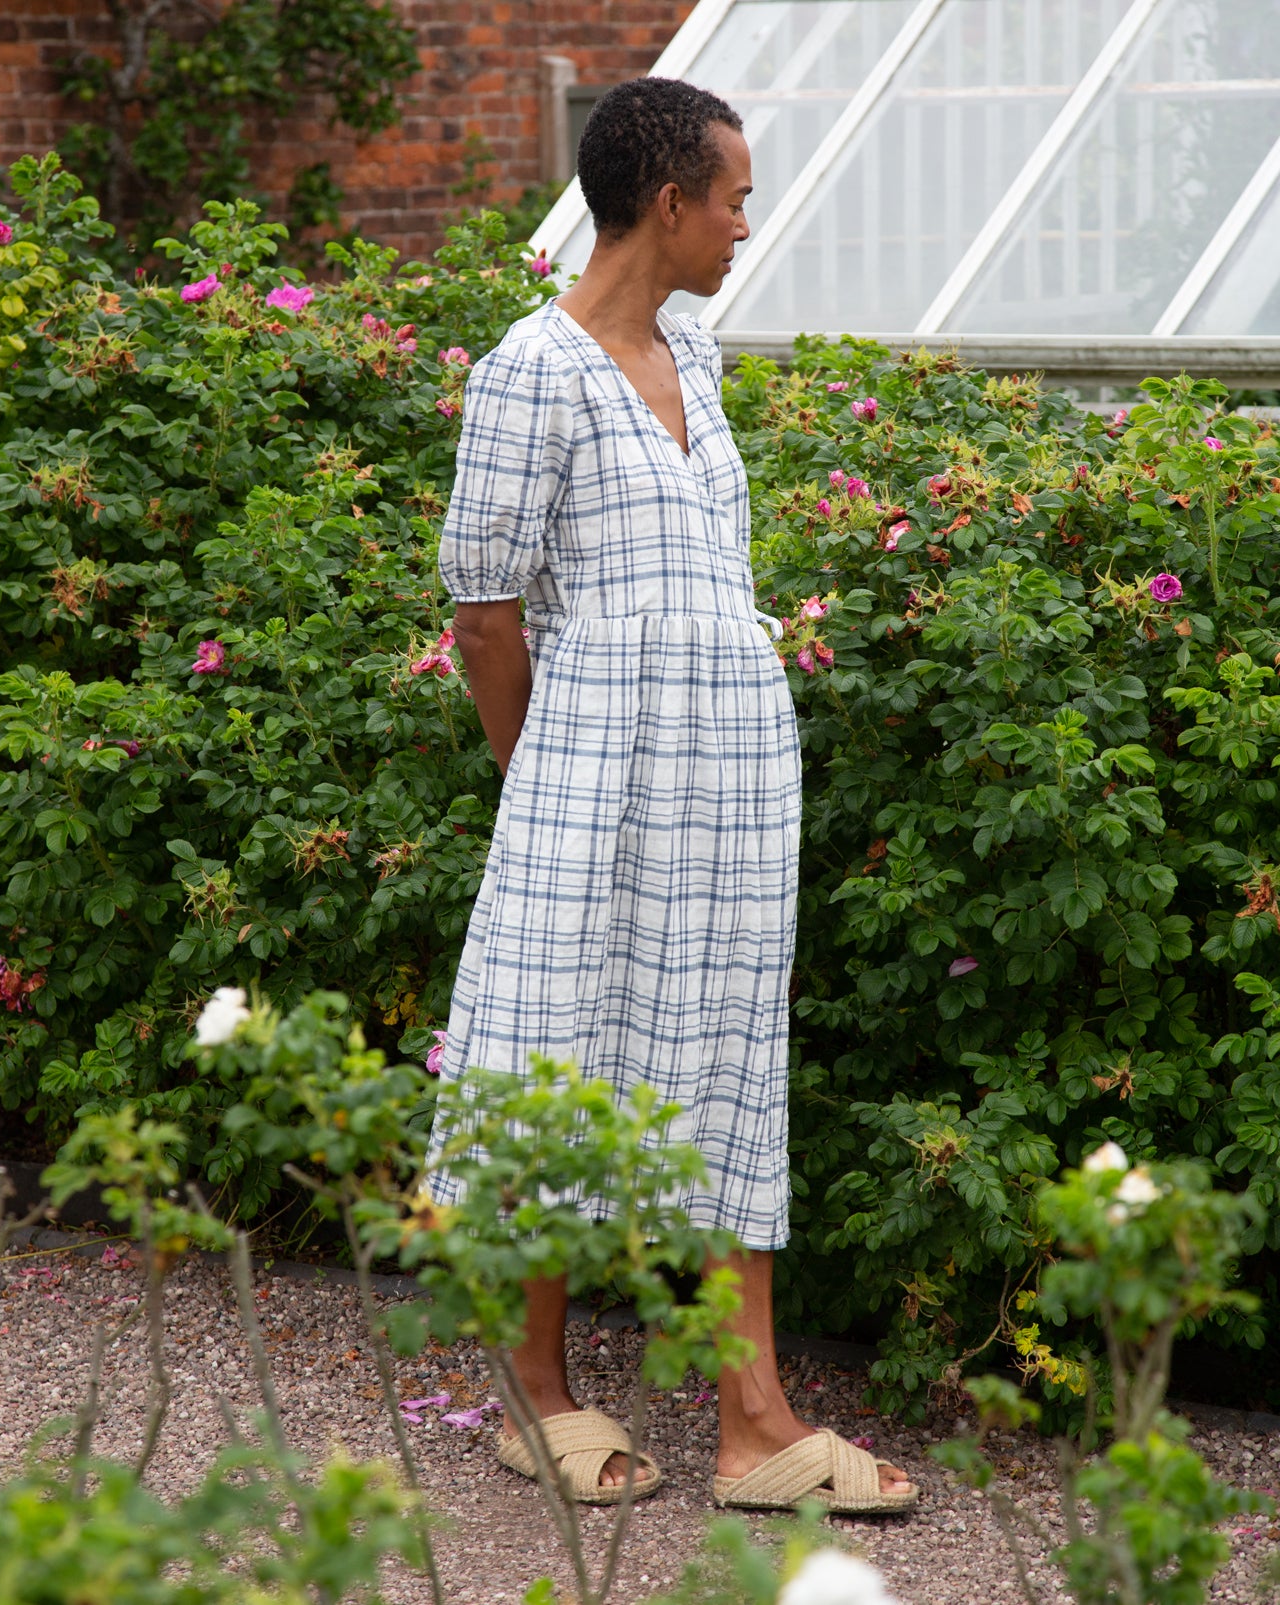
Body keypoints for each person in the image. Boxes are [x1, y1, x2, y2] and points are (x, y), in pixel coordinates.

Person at [426, 76, 914, 1515]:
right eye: (735, 198)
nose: (746, 226)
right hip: (591, 763)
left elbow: (718, 578)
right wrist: (539, 781)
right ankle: (535, 1381)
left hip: (729, 773)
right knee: (556, 1049)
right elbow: (483, 608)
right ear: (666, 202)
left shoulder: (692, 350)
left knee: (729, 1062)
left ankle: (751, 1418)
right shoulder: (534, 365)